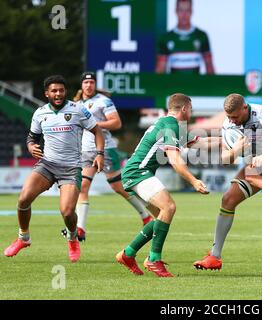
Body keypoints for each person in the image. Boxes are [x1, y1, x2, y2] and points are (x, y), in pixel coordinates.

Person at [3, 75, 104, 262]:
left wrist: (99, 153)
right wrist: (30, 146)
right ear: (46, 93)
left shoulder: (78, 110)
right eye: (54, 91)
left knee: (67, 211)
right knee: (23, 199)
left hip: (71, 167)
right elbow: (31, 138)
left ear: (65, 92)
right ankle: (23, 238)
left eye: (61, 90)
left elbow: (97, 131)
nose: (58, 94)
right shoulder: (40, 113)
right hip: (47, 164)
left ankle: (72, 238)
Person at [193, 93, 262, 270]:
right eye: (229, 117)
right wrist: (235, 150)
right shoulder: (228, 124)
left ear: (245, 107)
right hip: (256, 168)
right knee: (228, 200)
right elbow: (225, 158)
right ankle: (215, 257)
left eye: (235, 116)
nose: (232, 121)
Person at [116, 93, 209, 277]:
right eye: (190, 109)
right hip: (138, 172)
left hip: (135, 172)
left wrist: (234, 145)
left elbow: (204, 143)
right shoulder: (171, 126)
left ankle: (128, 254)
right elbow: (175, 160)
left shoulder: (169, 125)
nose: (191, 113)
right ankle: (153, 259)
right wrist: (193, 180)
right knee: (169, 207)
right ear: (184, 108)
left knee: (161, 216)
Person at [64, 72, 152, 242]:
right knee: (82, 187)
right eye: (86, 82)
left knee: (119, 188)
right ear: (81, 85)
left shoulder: (103, 101)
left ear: (95, 85)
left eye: (91, 82)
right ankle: (81, 228)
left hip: (106, 149)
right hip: (85, 151)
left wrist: (93, 125)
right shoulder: (76, 104)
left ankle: (145, 215)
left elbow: (116, 123)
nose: (89, 85)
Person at [155, 0, 215, 74]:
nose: (184, 15)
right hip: (174, 85)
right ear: (176, 11)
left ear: (191, 11)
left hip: (195, 84)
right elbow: (160, 70)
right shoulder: (166, 38)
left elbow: (209, 67)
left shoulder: (201, 36)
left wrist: (214, 84)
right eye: (181, 10)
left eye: (187, 10)